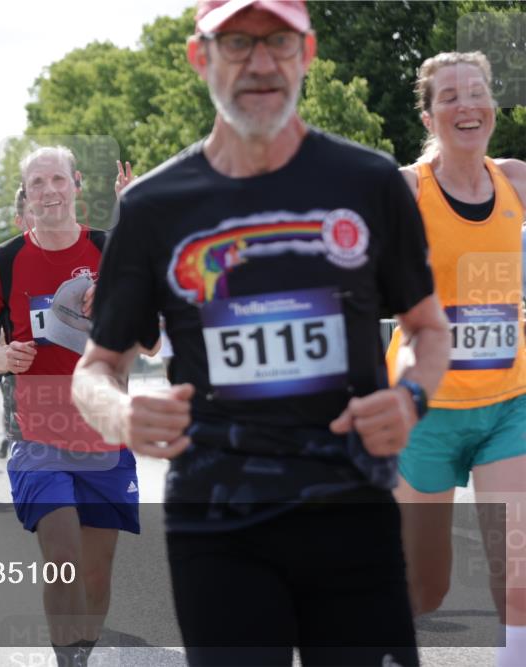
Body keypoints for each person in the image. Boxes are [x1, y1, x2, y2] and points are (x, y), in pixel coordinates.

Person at [72, 1, 453, 665]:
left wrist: (411, 395)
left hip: (351, 509)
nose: (261, 62)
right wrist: (121, 410)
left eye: (278, 41)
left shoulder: (368, 182)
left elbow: (428, 329)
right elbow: (95, 366)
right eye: (238, 42)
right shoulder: (155, 206)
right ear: (201, 58)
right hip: (219, 526)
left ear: (306, 54)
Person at [0, 145, 133, 667]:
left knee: (97, 573)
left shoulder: (112, 251)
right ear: (27, 195)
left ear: (77, 184)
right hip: (38, 430)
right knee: (64, 557)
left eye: (58, 179)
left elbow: (148, 340)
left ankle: (81, 652)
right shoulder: (5, 260)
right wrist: (2, 355)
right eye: (37, 183)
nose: (49, 191)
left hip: (105, 428)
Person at [385, 51, 526, 667]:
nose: (467, 105)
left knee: (519, 575)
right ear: (429, 113)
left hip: (509, 404)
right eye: (450, 96)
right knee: (424, 587)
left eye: (477, 92)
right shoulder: (404, 189)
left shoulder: (517, 180)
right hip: (426, 411)